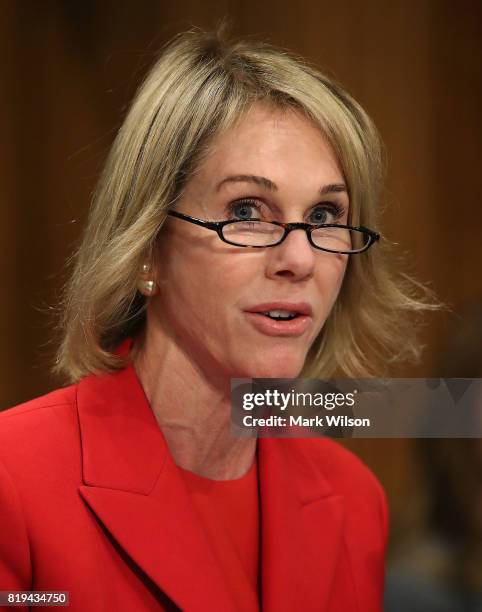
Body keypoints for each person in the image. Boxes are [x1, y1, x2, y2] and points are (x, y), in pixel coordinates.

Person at [0, 25, 434, 611]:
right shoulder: (14, 481)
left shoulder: (355, 502)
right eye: (248, 210)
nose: (301, 259)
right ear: (147, 245)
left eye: (326, 214)